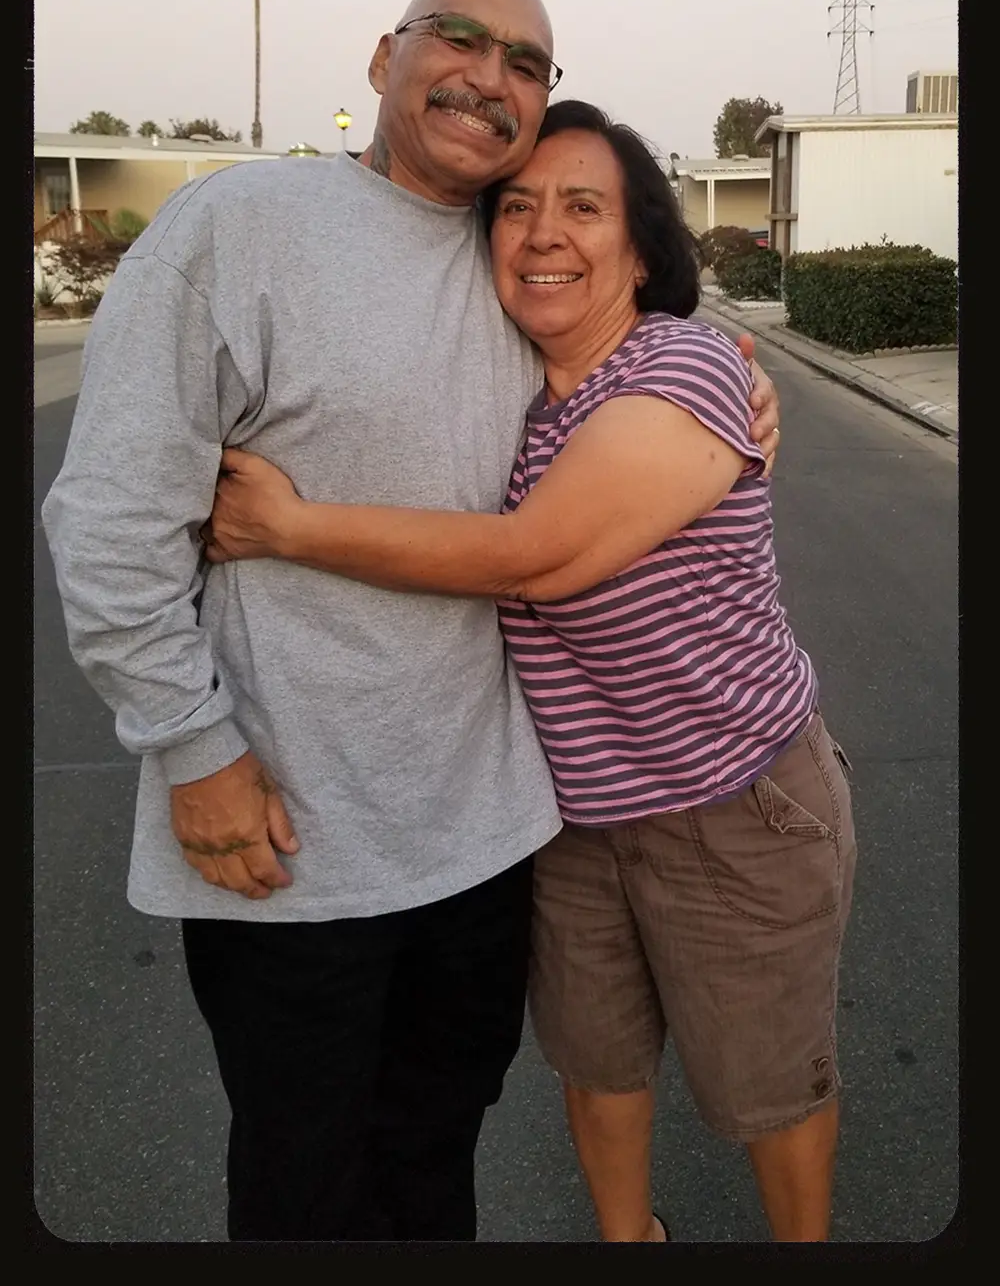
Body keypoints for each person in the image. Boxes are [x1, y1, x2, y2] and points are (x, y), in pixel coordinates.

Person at [41, 0, 780, 1244]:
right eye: (461, 36)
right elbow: (110, 516)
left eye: (526, 61)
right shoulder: (241, 227)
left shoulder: (520, 262)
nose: (489, 73)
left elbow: (645, 377)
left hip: (488, 840)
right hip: (285, 835)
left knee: (435, 1157)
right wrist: (190, 746)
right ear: (384, 57)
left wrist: (733, 376)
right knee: (305, 1180)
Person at [203, 99, 854, 1246]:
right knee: (595, 1066)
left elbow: (533, 559)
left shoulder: (686, 364)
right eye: (518, 208)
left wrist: (289, 527)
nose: (544, 232)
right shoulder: (505, 383)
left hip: (733, 803)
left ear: (641, 246)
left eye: (583, 206)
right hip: (571, 815)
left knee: (765, 1088)